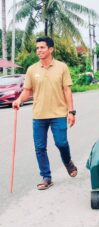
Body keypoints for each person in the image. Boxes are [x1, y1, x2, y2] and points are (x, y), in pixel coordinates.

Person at [12, 37, 78, 190]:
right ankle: (46, 177)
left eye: (42, 47)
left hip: (59, 113)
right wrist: (18, 100)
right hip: (39, 115)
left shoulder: (62, 67)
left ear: (51, 49)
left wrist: (71, 111)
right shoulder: (32, 69)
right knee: (40, 147)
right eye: (37, 48)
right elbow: (27, 91)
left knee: (61, 143)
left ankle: (68, 162)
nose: (39, 50)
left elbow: (67, 90)